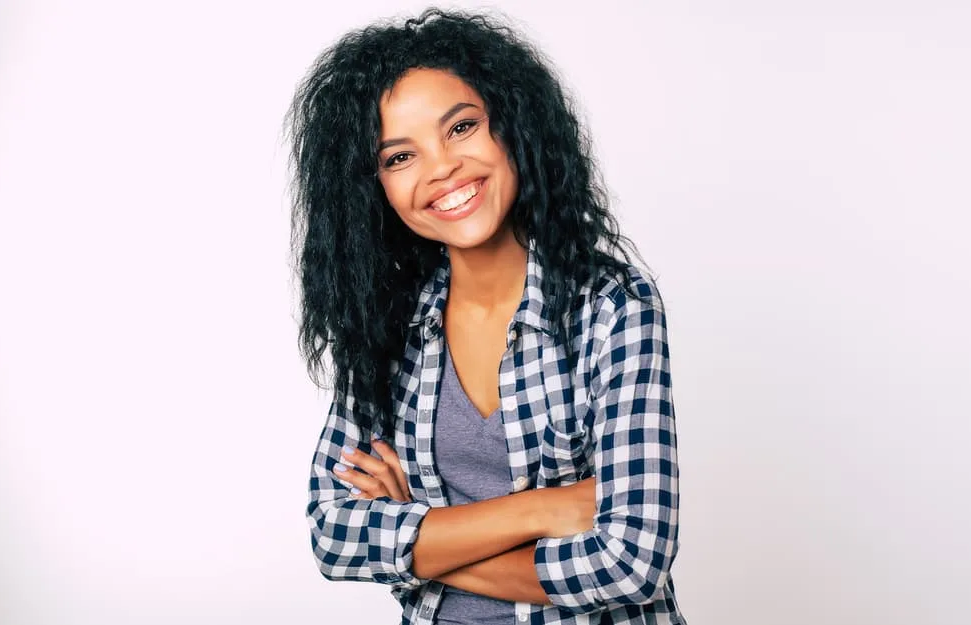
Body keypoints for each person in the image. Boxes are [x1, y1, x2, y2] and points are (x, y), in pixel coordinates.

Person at [287, 8, 685, 625]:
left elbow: (632, 560)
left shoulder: (610, 306)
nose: (441, 168)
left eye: (462, 127)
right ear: (375, 191)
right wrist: (538, 510)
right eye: (399, 157)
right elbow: (333, 533)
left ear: (513, 126)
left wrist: (418, 540)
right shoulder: (385, 320)